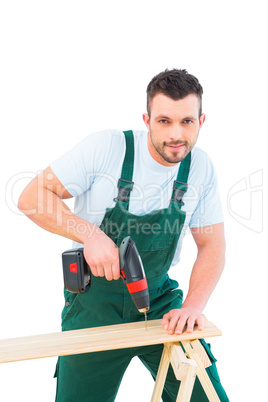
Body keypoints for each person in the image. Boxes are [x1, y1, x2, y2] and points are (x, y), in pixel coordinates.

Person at [18, 69, 229, 401]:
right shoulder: (107, 148)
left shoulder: (200, 168)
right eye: (164, 121)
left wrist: (193, 306)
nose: (176, 134)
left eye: (187, 121)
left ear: (202, 120)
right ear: (147, 119)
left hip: (159, 301)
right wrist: (89, 234)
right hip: (93, 305)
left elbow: (212, 244)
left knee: (202, 393)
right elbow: (31, 197)